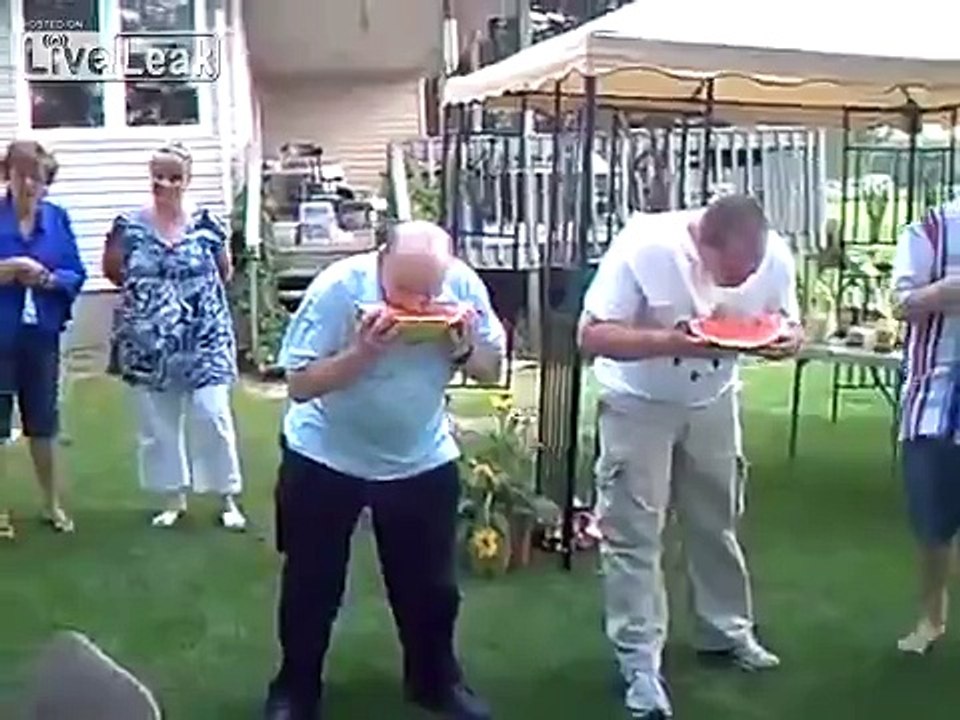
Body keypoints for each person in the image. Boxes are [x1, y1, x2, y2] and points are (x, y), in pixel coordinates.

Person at [264, 220, 506, 720]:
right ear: (381, 260)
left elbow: (491, 368)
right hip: (326, 454)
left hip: (421, 456)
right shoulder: (337, 289)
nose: (419, 304)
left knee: (432, 588)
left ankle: (435, 682)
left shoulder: (461, 287)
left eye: (429, 292)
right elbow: (300, 384)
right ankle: (296, 688)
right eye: (405, 290)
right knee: (313, 582)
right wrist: (362, 353)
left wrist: (461, 347)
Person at [578, 195, 804, 719]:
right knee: (633, 534)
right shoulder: (644, 245)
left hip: (714, 402)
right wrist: (670, 340)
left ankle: (727, 632)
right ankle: (640, 666)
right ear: (704, 241)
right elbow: (590, 334)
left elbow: (790, 325)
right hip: (638, 402)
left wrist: (784, 340)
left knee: (717, 520)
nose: (738, 283)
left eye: (750, 271)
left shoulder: (775, 258)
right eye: (730, 272)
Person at [101, 142, 246, 531]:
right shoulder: (127, 226)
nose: (165, 184)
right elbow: (113, 271)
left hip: (204, 336)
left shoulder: (207, 225)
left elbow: (224, 272)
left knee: (212, 414)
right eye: (158, 176)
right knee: (157, 425)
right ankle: (172, 497)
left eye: (174, 177)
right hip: (148, 342)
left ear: (188, 180)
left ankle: (226, 496)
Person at [0, 139, 86, 538]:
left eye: (37, 177)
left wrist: (49, 279)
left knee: (43, 421)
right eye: (21, 175)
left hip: (42, 335)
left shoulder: (58, 219)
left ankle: (51, 503)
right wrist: (9, 269)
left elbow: (75, 271)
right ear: (8, 177)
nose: (29, 185)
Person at [891, 202, 960, 654]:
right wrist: (947, 291)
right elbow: (900, 304)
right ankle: (931, 619)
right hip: (935, 397)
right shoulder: (931, 229)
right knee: (932, 524)